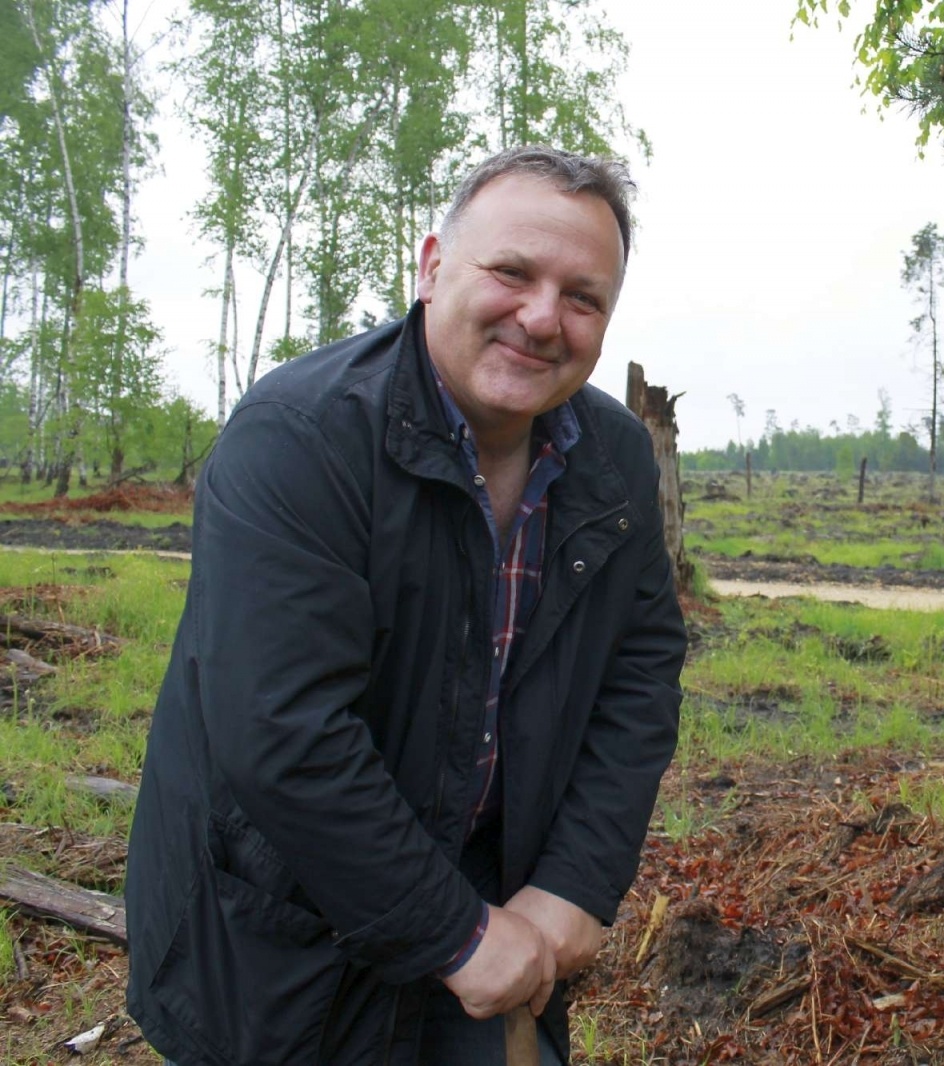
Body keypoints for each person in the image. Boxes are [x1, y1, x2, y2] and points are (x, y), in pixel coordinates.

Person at [124, 146, 686, 1065]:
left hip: (496, 899)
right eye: (511, 272)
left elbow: (640, 670)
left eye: (582, 297)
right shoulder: (300, 440)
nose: (542, 317)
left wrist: (575, 884)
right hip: (284, 927)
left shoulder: (611, 461)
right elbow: (283, 728)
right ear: (430, 267)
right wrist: (457, 935)